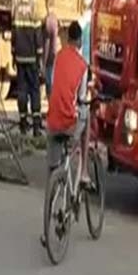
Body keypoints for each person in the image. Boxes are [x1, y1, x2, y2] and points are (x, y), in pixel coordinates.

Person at [46, 21, 90, 184]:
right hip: (68, 122)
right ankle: (84, 171)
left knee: (52, 167)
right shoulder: (82, 66)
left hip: (52, 121)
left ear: (67, 38)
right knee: (87, 115)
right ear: (79, 40)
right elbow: (83, 98)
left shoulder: (58, 57)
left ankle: (50, 200)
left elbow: (53, 83)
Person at [13, 0, 43, 137]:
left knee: (22, 90)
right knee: (35, 91)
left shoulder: (17, 8)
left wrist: (13, 54)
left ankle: (23, 123)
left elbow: (14, 33)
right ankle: (37, 127)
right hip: (31, 58)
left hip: (19, 57)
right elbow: (38, 36)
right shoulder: (34, 8)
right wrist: (39, 58)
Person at [42, 0, 59, 98]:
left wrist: (45, 60)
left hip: (49, 57)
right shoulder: (54, 19)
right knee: (50, 81)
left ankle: (51, 107)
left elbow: (49, 43)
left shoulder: (49, 20)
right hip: (52, 55)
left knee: (49, 82)